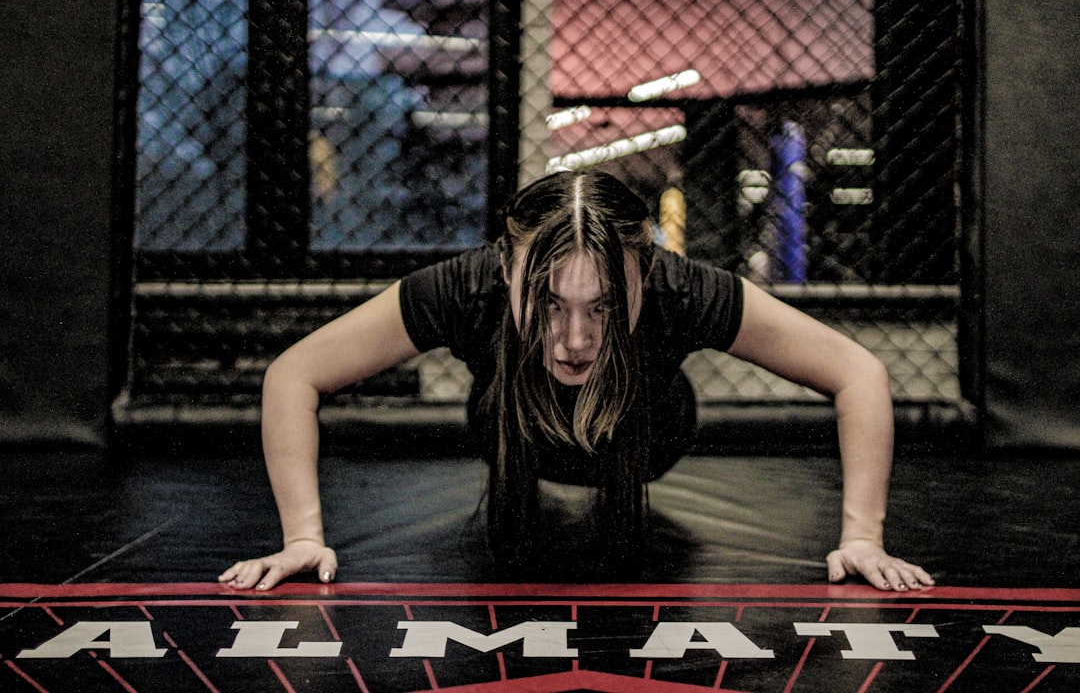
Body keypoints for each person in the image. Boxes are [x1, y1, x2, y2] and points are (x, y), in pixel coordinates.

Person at [219, 170, 935, 592]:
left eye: (604, 308)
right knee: (508, 390)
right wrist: (302, 537)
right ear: (507, 273)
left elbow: (857, 373)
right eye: (551, 305)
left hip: (651, 434)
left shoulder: (683, 289)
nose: (575, 340)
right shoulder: (467, 287)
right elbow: (294, 375)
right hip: (510, 431)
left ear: (645, 278)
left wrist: (862, 537)